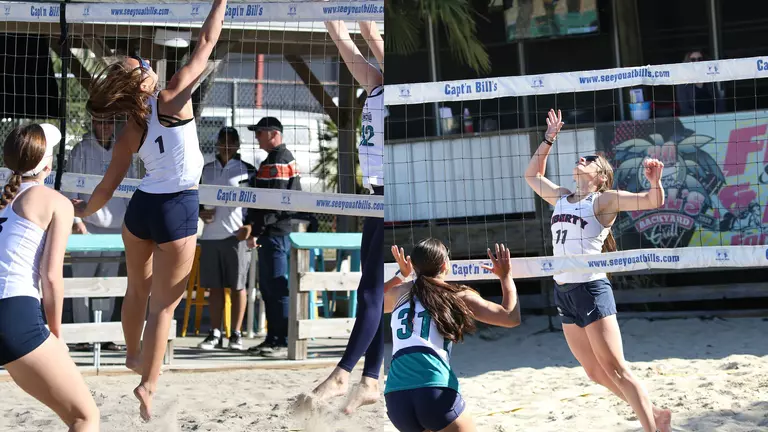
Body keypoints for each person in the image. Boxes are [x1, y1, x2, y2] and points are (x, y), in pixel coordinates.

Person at [72, 0, 229, 420]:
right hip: (177, 207)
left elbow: (106, 187)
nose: (146, 62)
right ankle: (149, 383)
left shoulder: (131, 128)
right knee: (163, 307)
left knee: (137, 291)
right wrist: (221, 2)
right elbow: (207, 41)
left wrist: (84, 210)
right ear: (140, 81)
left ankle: (132, 354)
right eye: (140, 64)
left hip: (141, 210)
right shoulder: (173, 95)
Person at [524, 109, 671, 432]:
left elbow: (651, 201)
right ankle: (655, 413)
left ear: (601, 176)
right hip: (564, 291)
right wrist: (548, 139)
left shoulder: (602, 201)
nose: (582, 159)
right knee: (594, 372)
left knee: (616, 369)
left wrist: (655, 182)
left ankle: (652, 427)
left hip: (590, 288)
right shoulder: (562, 198)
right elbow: (532, 176)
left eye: (590, 160)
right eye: (581, 158)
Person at [307, 20, 385, 414]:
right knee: (373, 292)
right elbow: (347, 45)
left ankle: (344, 373)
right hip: (374, 200)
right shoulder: (375, 86)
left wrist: (363, 16)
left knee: (372, 292)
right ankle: (370, 378)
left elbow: (371, 36)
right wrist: (333, 18)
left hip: (394, 201)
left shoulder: (402, 90)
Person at [0, 123, 99, 431]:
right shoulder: (55, 201)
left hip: (8, 313)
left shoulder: (5, 198)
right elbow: (52, 277)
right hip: (13, 315)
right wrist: (56, 334)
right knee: (85, 417)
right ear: (47, 165)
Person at [384, 240, 520, 432]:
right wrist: (505, 276)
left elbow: (366, 301)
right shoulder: (456, 295)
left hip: (396, 398)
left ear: (413, 266)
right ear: (444, 265)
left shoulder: (399, 292)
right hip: (434, 390)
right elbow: (510, 317)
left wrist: (400, 276)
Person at [244, 116, 318, 358]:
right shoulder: (274, 159)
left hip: (276, 232)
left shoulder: (280, 160)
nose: (256, 137)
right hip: (272, 232)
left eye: (259, 132)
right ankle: (273, 337)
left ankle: (282, 340)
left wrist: (256, 229)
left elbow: (275, 203)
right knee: (268, 287)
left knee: (276, 287)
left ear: (273, 134)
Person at [68, 118, 137, 353]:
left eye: (109, 122)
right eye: (100, 122)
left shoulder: (123, 149)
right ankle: (81, 336)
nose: (105, 126)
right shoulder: (81, 150)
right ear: (93, 123)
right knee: (82, 283)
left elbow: (131, 188)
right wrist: (76, 220)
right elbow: (70, 187)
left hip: (116, 228)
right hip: (87, 226)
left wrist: (129, 222)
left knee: (107, 284)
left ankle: (104, 334)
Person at [197, 127, 255, 351]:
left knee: (238, 287)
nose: (227, 146)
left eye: (232, 142)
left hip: (236, 237)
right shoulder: (206, 169)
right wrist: (201, 212)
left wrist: (251, 227)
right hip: (211, 236)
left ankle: (236, 334)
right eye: (223, 142)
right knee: (215, 287)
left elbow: (257, 203)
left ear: (238, 145)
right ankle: (215, 333)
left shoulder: (247, 170)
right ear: (217, 144)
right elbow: (196, 198)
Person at [676, 50, 725, 116]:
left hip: (714, 118)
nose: (697, 62)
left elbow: (719, 102)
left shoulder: (709, 80)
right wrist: (701, 118)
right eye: (693, 60)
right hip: (693, 119)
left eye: (700, 59)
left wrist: (717, 116)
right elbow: (685, 108)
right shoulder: (683, 83)